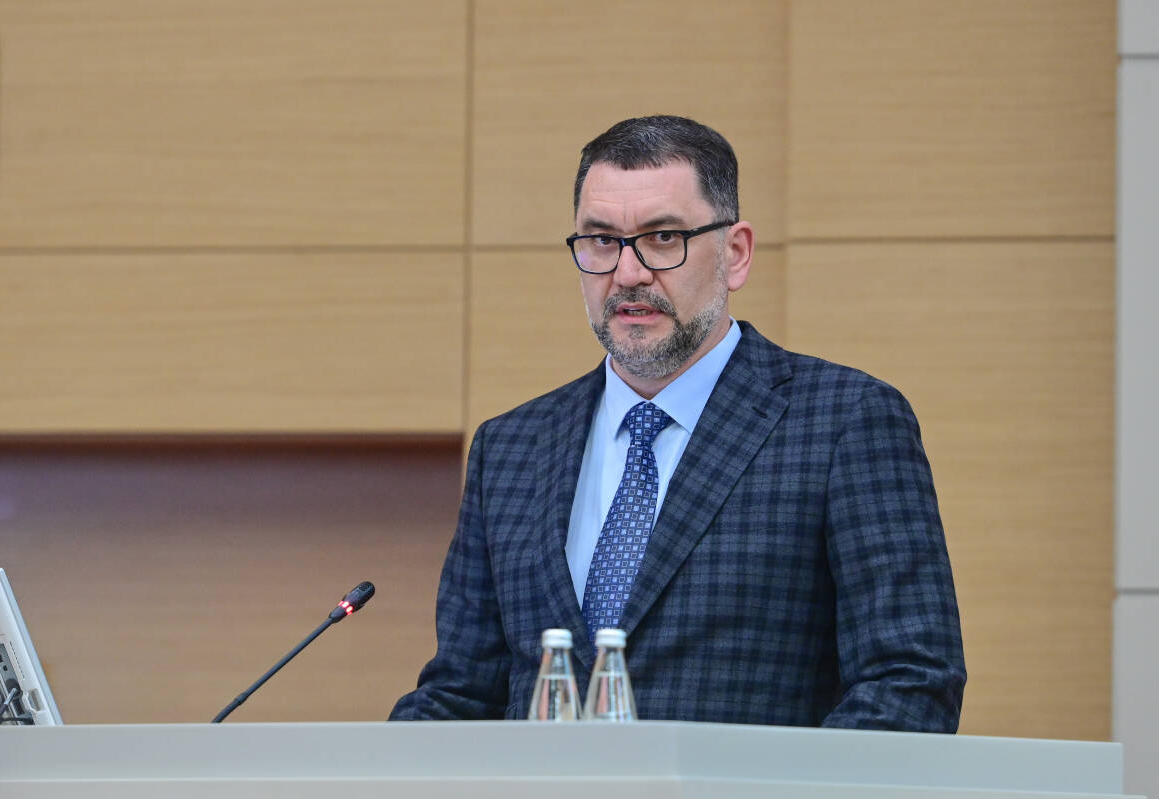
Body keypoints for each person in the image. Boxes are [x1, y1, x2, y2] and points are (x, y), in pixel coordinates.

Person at [390, 115, 965, 731]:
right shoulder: (511, 447)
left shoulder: (844, 421)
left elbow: (910, 682)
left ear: (735, 254)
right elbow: (462, 693)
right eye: (602, 240)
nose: (628, 273)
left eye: (664, 238)